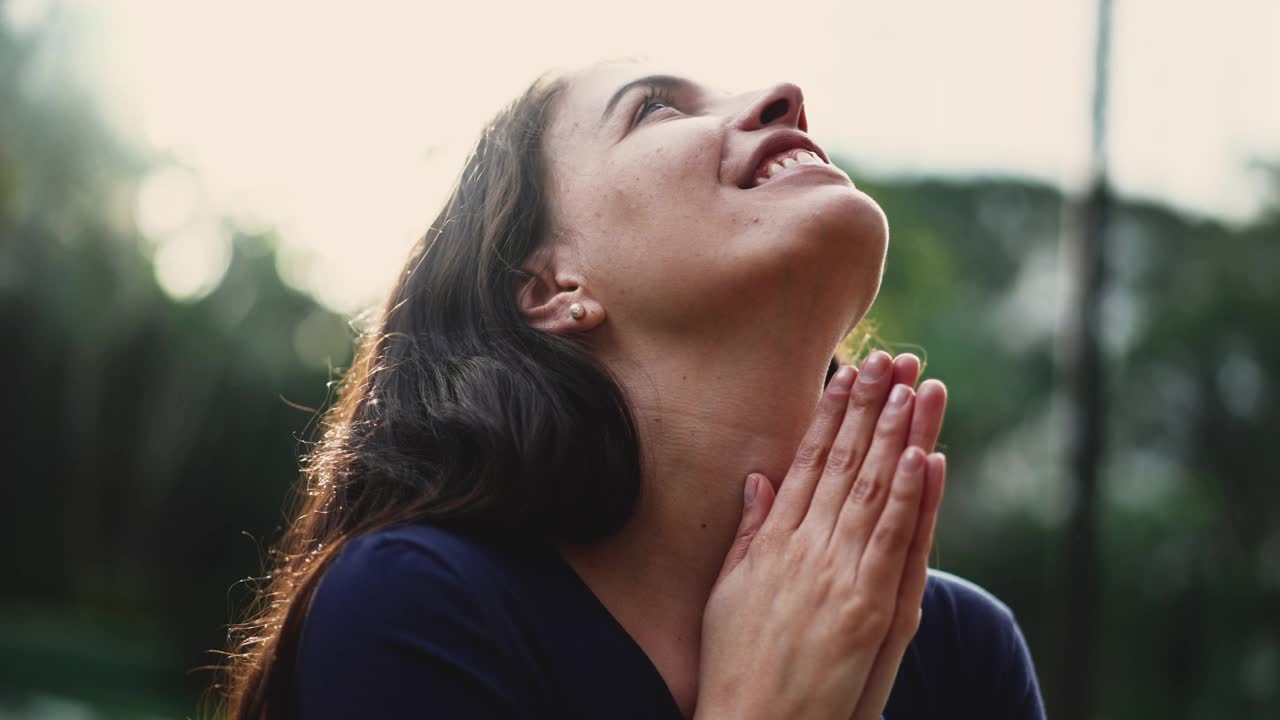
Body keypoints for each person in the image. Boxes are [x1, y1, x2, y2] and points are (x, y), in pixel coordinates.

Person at [217, 59, 1046, 719]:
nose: (784, 97)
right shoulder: (418, 606)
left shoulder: (966, 648)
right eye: (655, 108)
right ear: (550, 285)